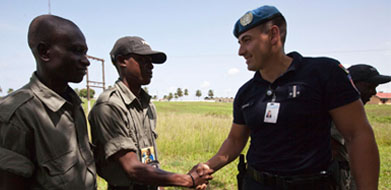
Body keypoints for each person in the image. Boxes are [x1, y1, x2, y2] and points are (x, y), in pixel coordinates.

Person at [194, 5, 380, 190]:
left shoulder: (323, 73)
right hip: (256, 184)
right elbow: (235, 141)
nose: (240, 51)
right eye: (240, 43)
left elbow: (357, 134)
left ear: (274, 35)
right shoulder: (247, 92)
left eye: (247, 40)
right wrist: (207, 167)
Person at [0, 15, 96, 189]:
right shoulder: (16, 115)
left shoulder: (73, 105)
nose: (86, 60)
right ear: (44, 52)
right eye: (76, 50)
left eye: (84, 52)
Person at [88, 36, 212, 190]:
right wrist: (188, 180)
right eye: (143, 60)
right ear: (122, 61)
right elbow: (132, 168)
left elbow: (148, 156)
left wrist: (160, 185)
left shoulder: (147, 105)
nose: (151, 66)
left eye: (151, 61)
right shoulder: (109, 106)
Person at [331, 64, 391, 190]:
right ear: (351, 85)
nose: (373, 92)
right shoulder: (333, 116)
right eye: (369, 86)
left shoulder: (354, 116)